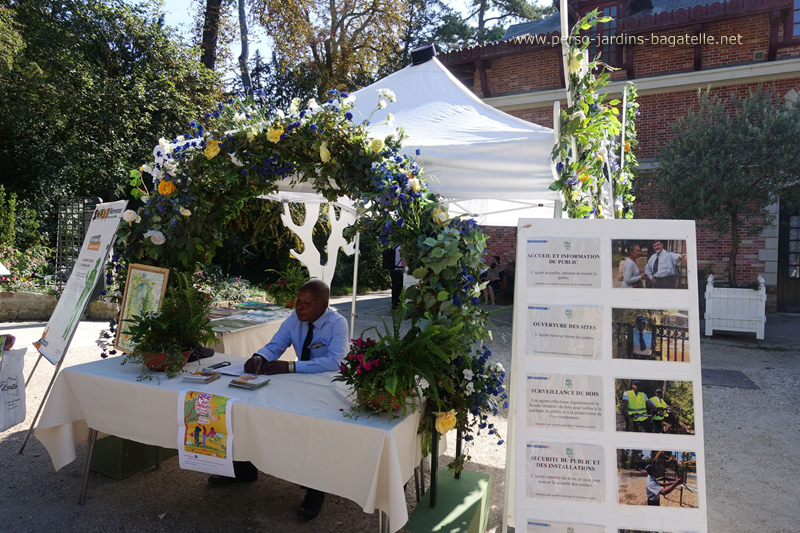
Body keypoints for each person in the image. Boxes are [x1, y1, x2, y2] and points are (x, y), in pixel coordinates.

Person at [208, 279, 348, 522]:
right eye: (298, 302)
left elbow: (336, 361)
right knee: (249, 408)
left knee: (311, 429)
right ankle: (244, 468)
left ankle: (315, 489)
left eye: (307, 304)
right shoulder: (294, 319)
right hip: (296, 382)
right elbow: (277, 344)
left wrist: (292, 366)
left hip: (324, 388)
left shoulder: (338, 323)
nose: (300, 308)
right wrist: (259, 357)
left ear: (324, 305)